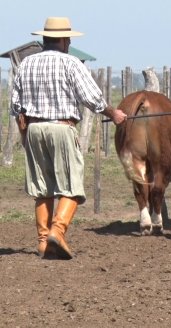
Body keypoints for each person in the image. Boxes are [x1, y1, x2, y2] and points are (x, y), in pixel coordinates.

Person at [10, 17, 127, 260]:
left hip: (33, 128)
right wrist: (113, 113)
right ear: (64, 40)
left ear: (44, 38)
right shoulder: (71, 63)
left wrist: (25, 134)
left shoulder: (26, 63)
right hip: (61, 128)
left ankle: (43, 242)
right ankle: (57, 231)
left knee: (42, 188)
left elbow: (16, 105)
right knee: (72, 185)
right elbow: (92, 97)